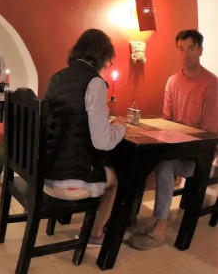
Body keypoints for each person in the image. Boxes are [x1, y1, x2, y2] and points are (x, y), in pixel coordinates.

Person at [128, 29, 218, 250]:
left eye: (191, 48)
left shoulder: (212, 84)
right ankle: (128, 217)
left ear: (200, 50)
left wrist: (177, 136)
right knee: (139, 157)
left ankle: (160, 228)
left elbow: (209, 132)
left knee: (165, 165)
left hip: (200, 155)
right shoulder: (173, 81)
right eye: (181, 49)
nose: (185, 54)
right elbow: (167, 121)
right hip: (176, 147)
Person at [44, 29, 126, 247]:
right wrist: (120, 127)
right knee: (119, 179)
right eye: (108, 62)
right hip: (71, 181)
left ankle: (92, 227)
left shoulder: (57, 77)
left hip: (46, 174)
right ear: (102, 56)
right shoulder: (94, 83)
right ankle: (94, 234)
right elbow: (102, 141)